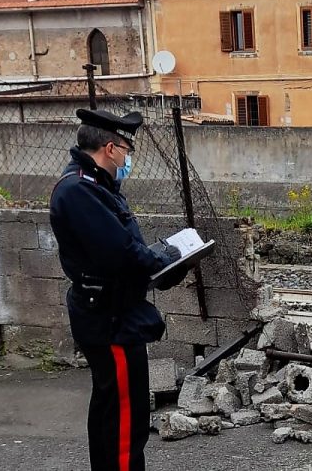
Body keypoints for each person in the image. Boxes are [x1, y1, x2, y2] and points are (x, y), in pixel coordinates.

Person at [50, 108, 186, 471]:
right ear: (110, 148)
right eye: (127, 149)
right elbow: (121, 253)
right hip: (109, 318)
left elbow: (123, 249)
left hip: (113, 312)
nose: (128, 158)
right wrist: (166, 258)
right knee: (125, 415)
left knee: (112, 408)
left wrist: (162, 260)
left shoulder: (94, 186)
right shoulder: (80, 190)